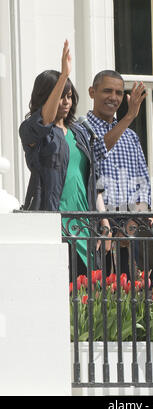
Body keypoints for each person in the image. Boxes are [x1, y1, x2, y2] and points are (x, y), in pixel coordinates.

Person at [19, 40, 110, 277]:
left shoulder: (80, 132)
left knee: (89, 301)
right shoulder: (32, 130)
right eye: (60, 96)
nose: (66, 101)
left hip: (85, 226)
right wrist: (63, 76)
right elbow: (44, 121)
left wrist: (103, 220)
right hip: (55, 226)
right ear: (45, 98)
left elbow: (93, 180)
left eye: (69, 96)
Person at [86, 70, 151, 279]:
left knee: (132, 304)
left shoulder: (131, 137)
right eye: (107, 91)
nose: (114, 97)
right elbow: (97, 150)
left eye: (119, 93)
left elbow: (144, 183)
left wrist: (134, 223)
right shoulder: (80, 130)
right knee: (98, 301)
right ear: (92, 92)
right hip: (97, 227)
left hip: (130, 229)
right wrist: (130, 116)